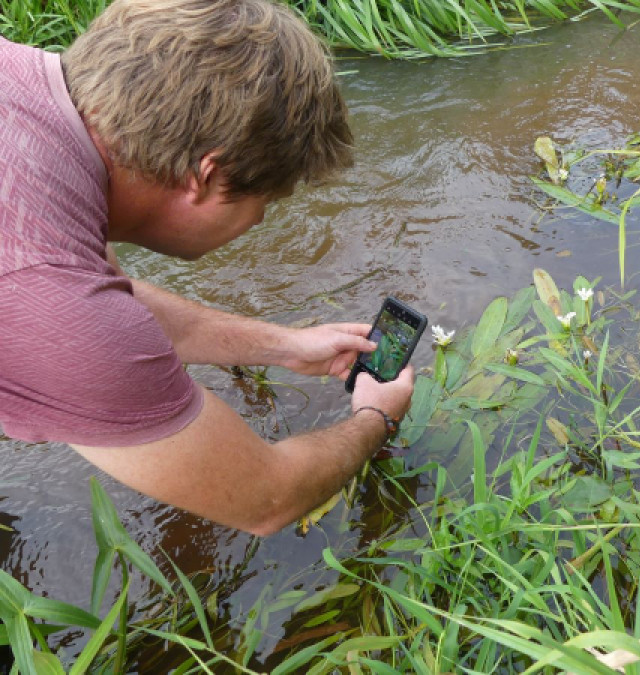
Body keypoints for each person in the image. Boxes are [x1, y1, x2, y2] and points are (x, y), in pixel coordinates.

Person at [0, 0, 415, 537]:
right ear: (207, 176)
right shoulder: (48, 289)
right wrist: (375, 417)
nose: (261, 220)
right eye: (266, 201)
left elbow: (102, 295)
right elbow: (266, 496)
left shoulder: (24, 87)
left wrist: (283, 346)